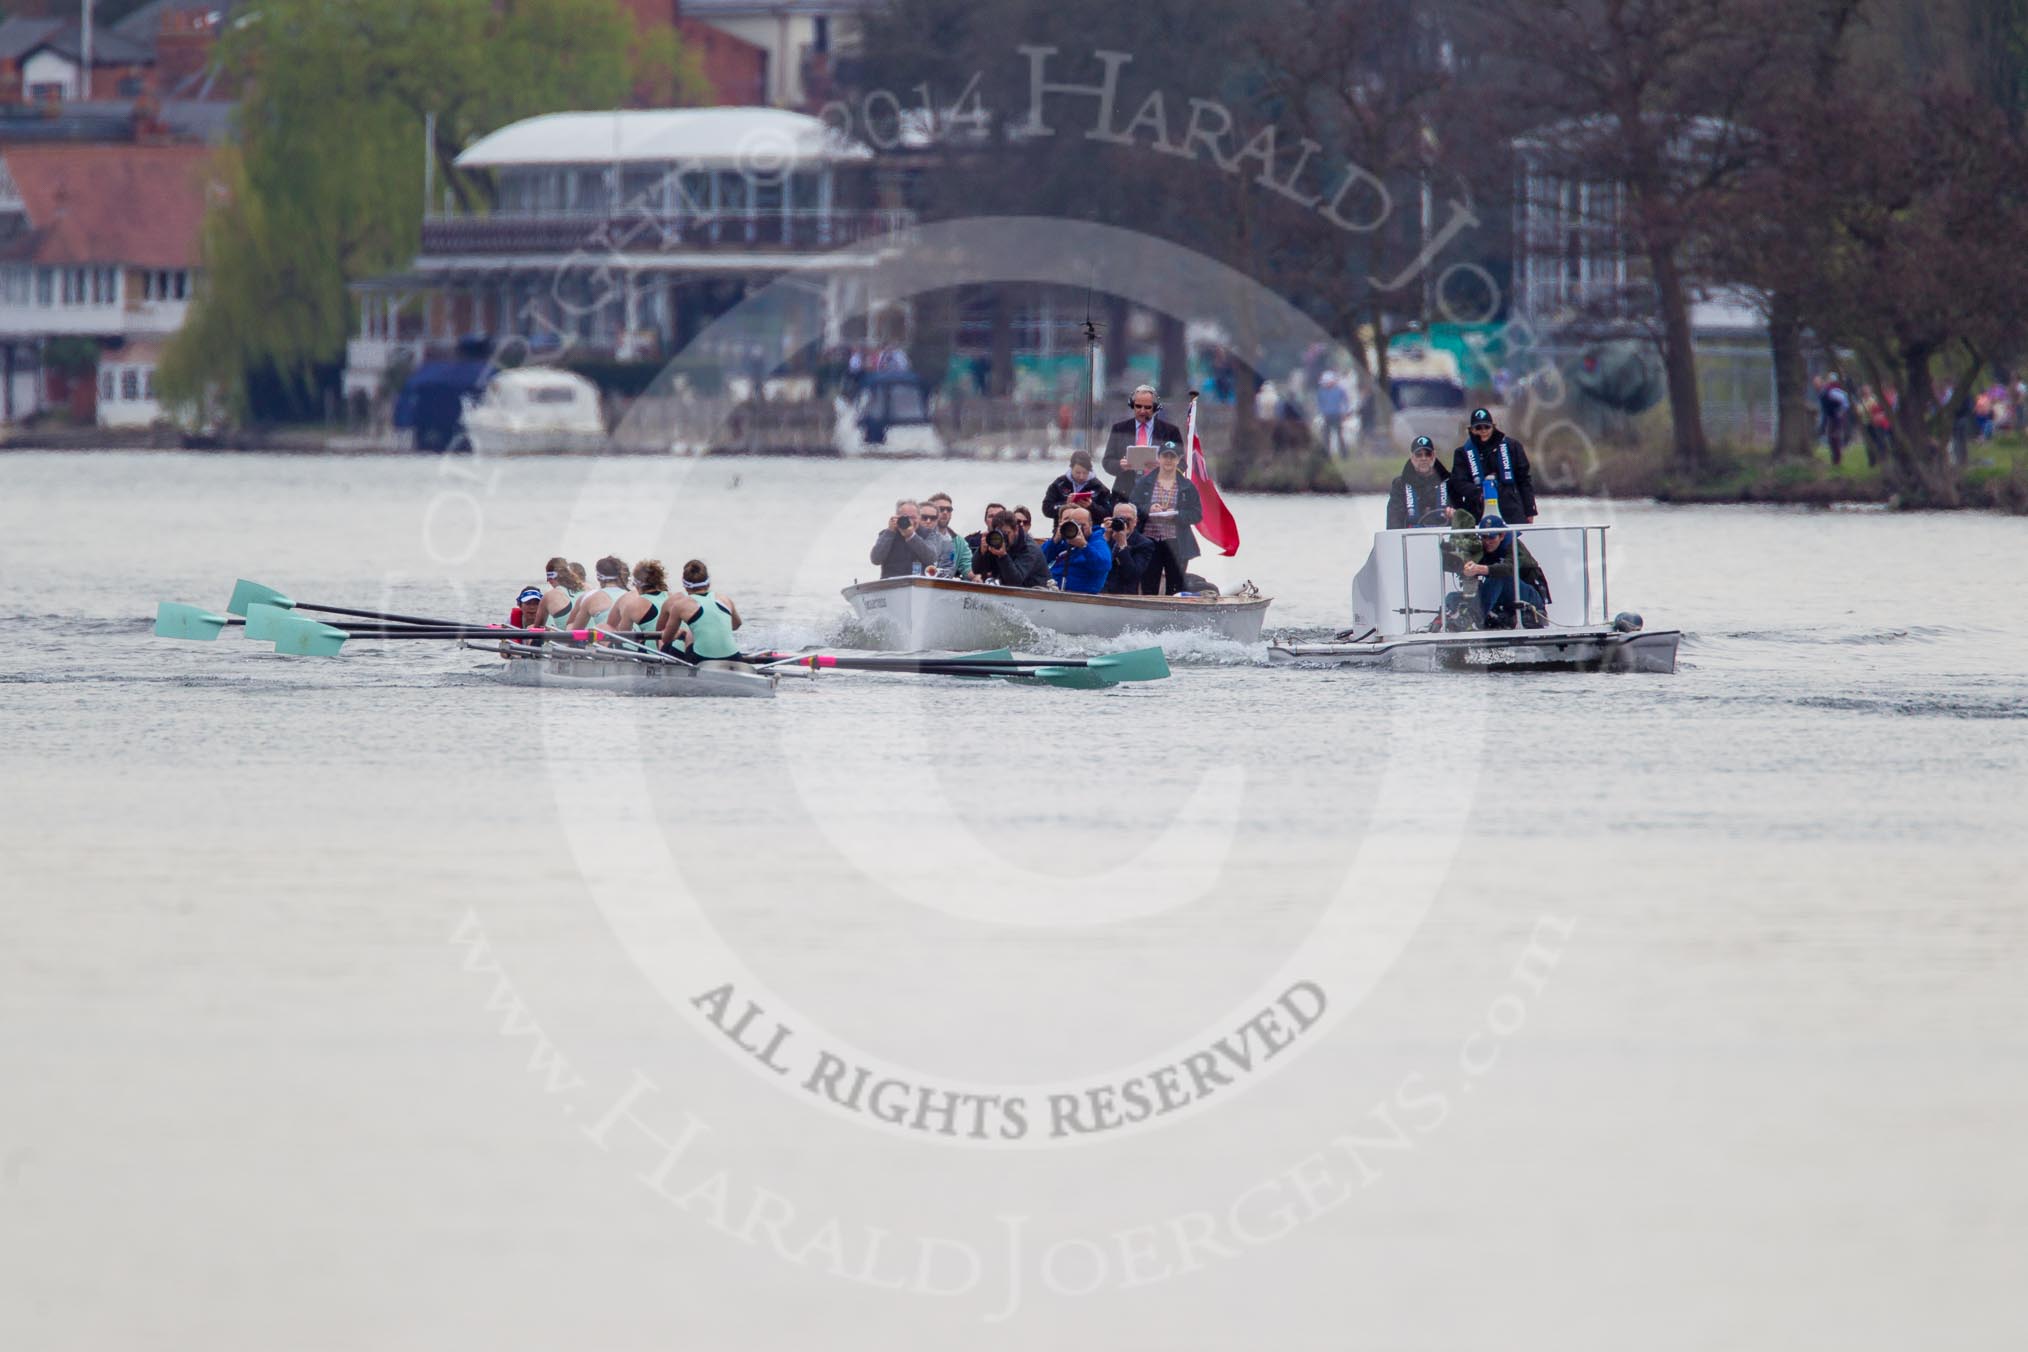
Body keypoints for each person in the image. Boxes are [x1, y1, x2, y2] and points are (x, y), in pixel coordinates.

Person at [1131, 441, 1204, 596]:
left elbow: (1196, 514)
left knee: (1176, 588)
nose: (1168, 460)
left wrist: (1177, 514)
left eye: (1173, 457)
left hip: (1176, 543)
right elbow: (1132, 506)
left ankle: (1173, 618)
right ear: (1159, 458)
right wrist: (1148, 509)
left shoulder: (1187, 486)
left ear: (1178, 460)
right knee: (1148, 585)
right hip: (1149, 541)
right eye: (1165, 456)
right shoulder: (1144, 483)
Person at [1452, 515, 1550, 629]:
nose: (1487, 542)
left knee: (1500, 576)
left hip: (1529, 596)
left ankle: (1475, 619)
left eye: (1491, 538)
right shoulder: (1482, 548)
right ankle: (1450, 621)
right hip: (1502, 596)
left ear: (1502, 536)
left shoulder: (1514, 546)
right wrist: (1458, 560)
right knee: (1453, 597)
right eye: (1484, 537)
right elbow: (1458, 563)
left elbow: (1508, 568)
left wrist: (1480, 569)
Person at [1447, 408, 1536, 523]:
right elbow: (1459, 482)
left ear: (1493, 427)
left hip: (1510, 509)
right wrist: (1479, 493)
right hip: (1477, 509)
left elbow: (1524, 480)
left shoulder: (1512, 447)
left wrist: (1530, 510)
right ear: (1471, 429)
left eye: (1486, 427)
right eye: (1478, 428)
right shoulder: (1462, 453)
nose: (1483, 431)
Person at [1101, 385, 1183, 501]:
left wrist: (1164, 466)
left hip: (1160, 495)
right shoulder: (1119, 429)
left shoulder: (1171, 431)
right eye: (1138, 406)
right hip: (1125, 494)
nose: (1142, 411)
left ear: (1155, 408)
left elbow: (1182, 463)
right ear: (1132, 405)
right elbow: (1107, 462)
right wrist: (1120, 465)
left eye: (1147, 407)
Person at [658, 560, 743, 661]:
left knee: (688, 633)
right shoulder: (724, 599)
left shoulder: (680, 605)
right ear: (708, 582)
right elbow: (736, 625)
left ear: (684, 585)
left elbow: (666, 638)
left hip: (701, 659)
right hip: (734, 657)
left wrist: (681, 633)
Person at [1043, 505, 1113, 594]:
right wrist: (1055, 540)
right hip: (1053, 589)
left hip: (1079, 596)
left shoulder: (1097, 541)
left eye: (1082, 525)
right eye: (1076, 525)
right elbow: (1039, 560)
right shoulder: (1066, 540)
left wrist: (1084, 546)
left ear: (1090, 524)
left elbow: (1104, 565)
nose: (1079, 529)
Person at [1386, 437, 1452, 529]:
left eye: (1427, 454)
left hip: (1445, 537)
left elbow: (1462, 515)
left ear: (1434, 456)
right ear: (1412, 457)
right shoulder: (1400, 485)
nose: (1423, 458)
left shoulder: (1450, 481)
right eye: (1419, 455)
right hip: (1411, 538)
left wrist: (1453, 514)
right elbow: (1393, 520)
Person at [974, 509, 1049, 588]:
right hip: (1008, 592)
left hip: (1036, 592)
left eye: (1006, 533)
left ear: (1016, 529)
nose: (1004, 538)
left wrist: (1003, 556)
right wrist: (982, 552)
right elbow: (977, 570)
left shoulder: (1030, 548)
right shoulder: (996, 542)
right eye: (1000, 533)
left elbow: (1015, 581)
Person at [1041, 449, 1117, 527]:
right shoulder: (1059, 484)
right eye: (1078, 472)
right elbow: (1046, 509)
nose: (1081, 477)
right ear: (1071, 468)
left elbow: (1109, 513)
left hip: (1092, 530)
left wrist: (1091, 506)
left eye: (1085, 473)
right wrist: (1066, 504)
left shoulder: (1099, 487)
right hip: (1063, 530)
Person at [869, 498, 937, 579]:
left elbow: (931, 558)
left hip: (920, 583)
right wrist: (890, 532)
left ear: (919, 518)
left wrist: (911, 536)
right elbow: (876, 559)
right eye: (905, 518)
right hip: (892, 584)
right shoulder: (887, 534)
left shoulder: (929, 534)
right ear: (897, 518)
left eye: (913, 517)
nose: (910, 521)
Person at [603, 559, 670, 637]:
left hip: (652, 647)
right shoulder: (671, 596)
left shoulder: (633, 605)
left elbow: (623, 636)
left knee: (603, 627)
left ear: (637, 584)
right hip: (680, 647)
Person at [1102, 501, 1155, 595]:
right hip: (1099, 590)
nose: (1124, 523)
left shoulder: (1144, 544)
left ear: (1135, 521)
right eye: (1120, 519)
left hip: (1123, 595)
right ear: (1112, 519)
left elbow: (1132, 575)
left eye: (1128, 520)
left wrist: (1122, 545)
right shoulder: (1105, 536)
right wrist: (1104, 539)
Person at [566, 556, 631, 629]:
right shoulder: (633, 595)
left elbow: (575, 630)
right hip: (633, 639)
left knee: (570, 626)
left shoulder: (590, 597)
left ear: (598, 577)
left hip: (607, 638)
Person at [920, 493, 972, 578]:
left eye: (949, 509)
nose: (945, 512)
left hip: (944, 587)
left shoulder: (959, 542)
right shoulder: (915, 536)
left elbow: (967, 567)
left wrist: (976, 577)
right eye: (941, 509)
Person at [525, 556, 584, 631]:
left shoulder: (549, 596)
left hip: (567, 641)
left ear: (550, 578)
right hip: (592, 639)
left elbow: (537, 629)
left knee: (530, 628)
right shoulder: (586, 589)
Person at [1315, 371, 1351, 459]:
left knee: (1340, 436)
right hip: (1326, 416)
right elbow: (1319, 403)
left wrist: (1345, 412)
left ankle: (1344, 455)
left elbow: (1346, 401)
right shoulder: (1321, 391)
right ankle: (1326, 456)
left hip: (1337, 415)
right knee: (1326, 437)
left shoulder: (1339, 390)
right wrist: (1321, 412)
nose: (1326, 384)